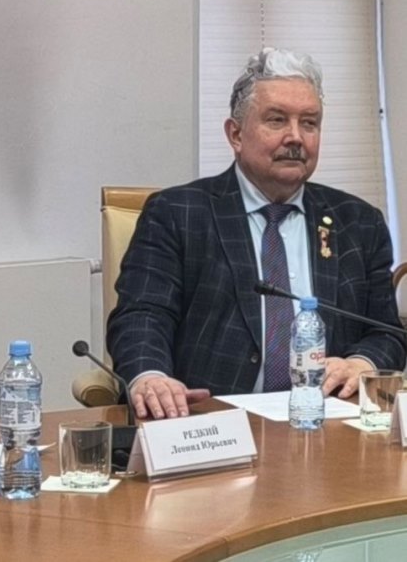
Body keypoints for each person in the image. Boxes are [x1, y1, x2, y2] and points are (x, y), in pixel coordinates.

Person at [108, 48, 406, 420]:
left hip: (326, 422)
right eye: (277, 120)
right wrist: (150, 377)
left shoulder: (358, 222)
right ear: (236, 134)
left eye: (309, 123)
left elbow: (387, 332)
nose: (295, 137)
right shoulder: (177, 213)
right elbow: (141, 316)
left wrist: (362, 362)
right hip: (209, 423)